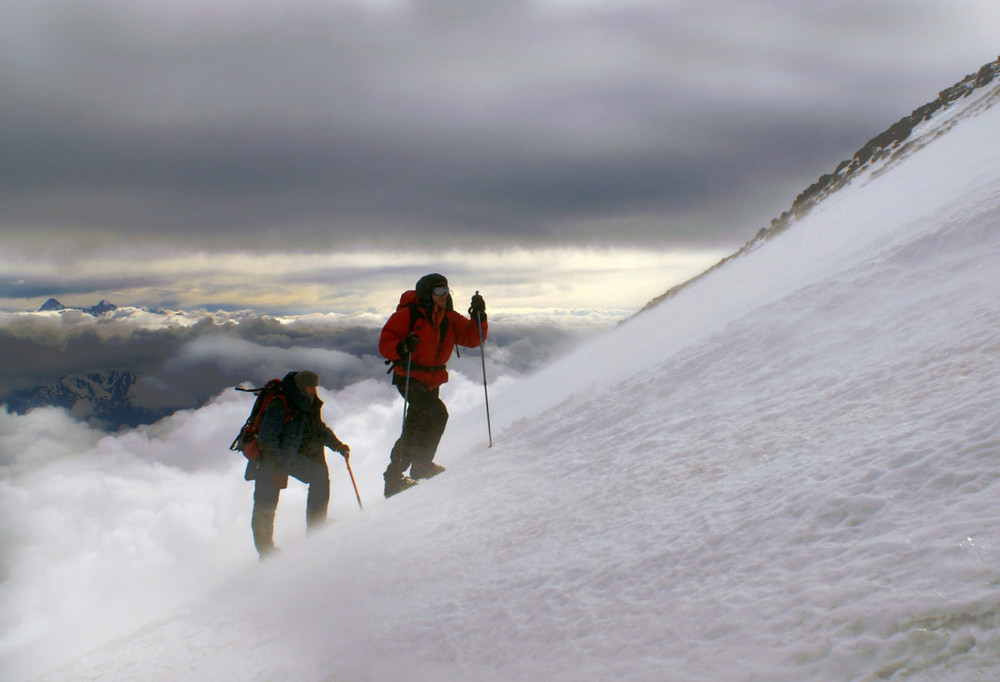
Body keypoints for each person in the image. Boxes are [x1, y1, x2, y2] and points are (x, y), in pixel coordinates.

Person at [379, 273, 487, 497]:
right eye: (439, 291)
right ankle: (419, 466)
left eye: (446, 291)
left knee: (415, 424)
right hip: (409, 377)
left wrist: (479, 316)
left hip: (431, 379)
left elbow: (473, 339)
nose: (443, 296)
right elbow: (386, 342)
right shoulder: (408, 315)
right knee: (437, 414)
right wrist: (402, 347)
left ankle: (396, 477)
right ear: (428, 294)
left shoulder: (449, 318)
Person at [245, 370, 350, 558]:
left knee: (319, 477)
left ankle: (317, 525)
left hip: (290, 457)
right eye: (310, 387)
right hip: (269, 461)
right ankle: (266, 551)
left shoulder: (304, 402)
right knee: (266, 504)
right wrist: (277, 471)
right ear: (300, 386)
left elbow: (318, 429)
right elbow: (268, 441)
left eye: (314, 387)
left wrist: (338, 445)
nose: (313, 391)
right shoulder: (280, 404)